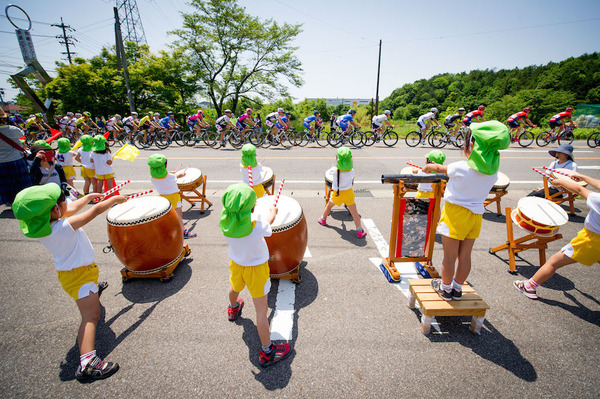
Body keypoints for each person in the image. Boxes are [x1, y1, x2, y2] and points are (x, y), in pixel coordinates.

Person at [12, 183, 126, 381]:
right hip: (80, 275)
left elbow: (72, 208)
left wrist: (88, 197)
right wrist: (114, 200)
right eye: (62, 200)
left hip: (72, 275)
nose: (67, 202)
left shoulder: (45, 227)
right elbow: (95, 212)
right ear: (56, 210)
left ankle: (92, 296)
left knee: (89, 306)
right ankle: (89, 363)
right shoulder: (63, 227)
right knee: (91, 316)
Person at [422, 121, 510, 300]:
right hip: (476, 215)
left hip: (455, 214)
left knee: (449, 256)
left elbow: (439, 168)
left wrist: (427, 167)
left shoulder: (461, 167)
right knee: (465, 256)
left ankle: (445, 289)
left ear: (471, 145)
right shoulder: (492, 172)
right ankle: (457, 288)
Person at [219, 183, 293, 366]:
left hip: (237, 265)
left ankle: (233, 307)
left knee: (234, 287)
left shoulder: (225, 225)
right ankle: (268, 351)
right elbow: (270, 220)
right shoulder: (255, 226)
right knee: (261, 311)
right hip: (256, 270)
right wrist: (273, 210)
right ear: (252, 208)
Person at [514, 171, 600, 299]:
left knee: (553, 263)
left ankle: (529, 286)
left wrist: (560, 183)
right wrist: (584, 178)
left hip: (591, 240)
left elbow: (579, 190)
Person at [317, 147, 367, 238]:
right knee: (354, 213)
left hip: (337, 193)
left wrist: (333, 167)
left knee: (329, 206)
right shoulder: (352, 171)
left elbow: (331, 172)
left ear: (337, 158)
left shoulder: (334, 170)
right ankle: (360, 231)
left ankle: (323, 219)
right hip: (348, 194)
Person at [147, 154, 196, 238]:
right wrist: (182, 174)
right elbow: (179, 175)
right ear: (165, 165)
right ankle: (183, 231)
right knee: (178, 215)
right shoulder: (170, 177)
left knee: (167, 215)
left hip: (162, 197)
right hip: (174, 197)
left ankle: (167, 231)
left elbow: (161, 175)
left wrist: (169, 172)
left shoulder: (152, 177)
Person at [0, 108, 33, 205]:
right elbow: (21, 137)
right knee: (20, 182)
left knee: (6, 183)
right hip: (16, 159)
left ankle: (10, 201)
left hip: (1, 162)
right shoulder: (13, 129)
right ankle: (24, 200)